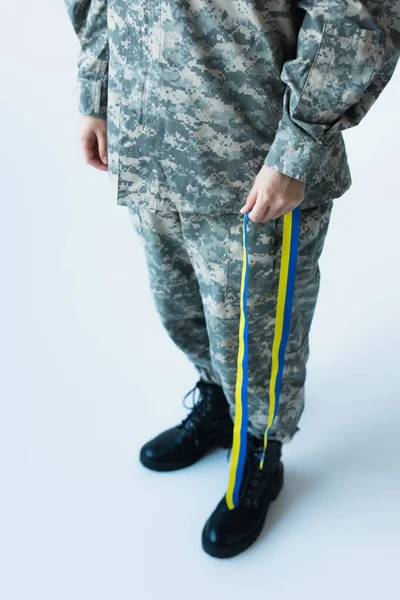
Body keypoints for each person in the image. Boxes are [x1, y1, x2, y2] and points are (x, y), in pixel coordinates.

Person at [64, 0, 400, 558]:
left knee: (258, 335)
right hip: (148, 139)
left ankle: (259, 452)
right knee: (181, 308)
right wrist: (97, 88)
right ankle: (220, 409)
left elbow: (358, 12)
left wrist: (298, 148)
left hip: (253, 163)